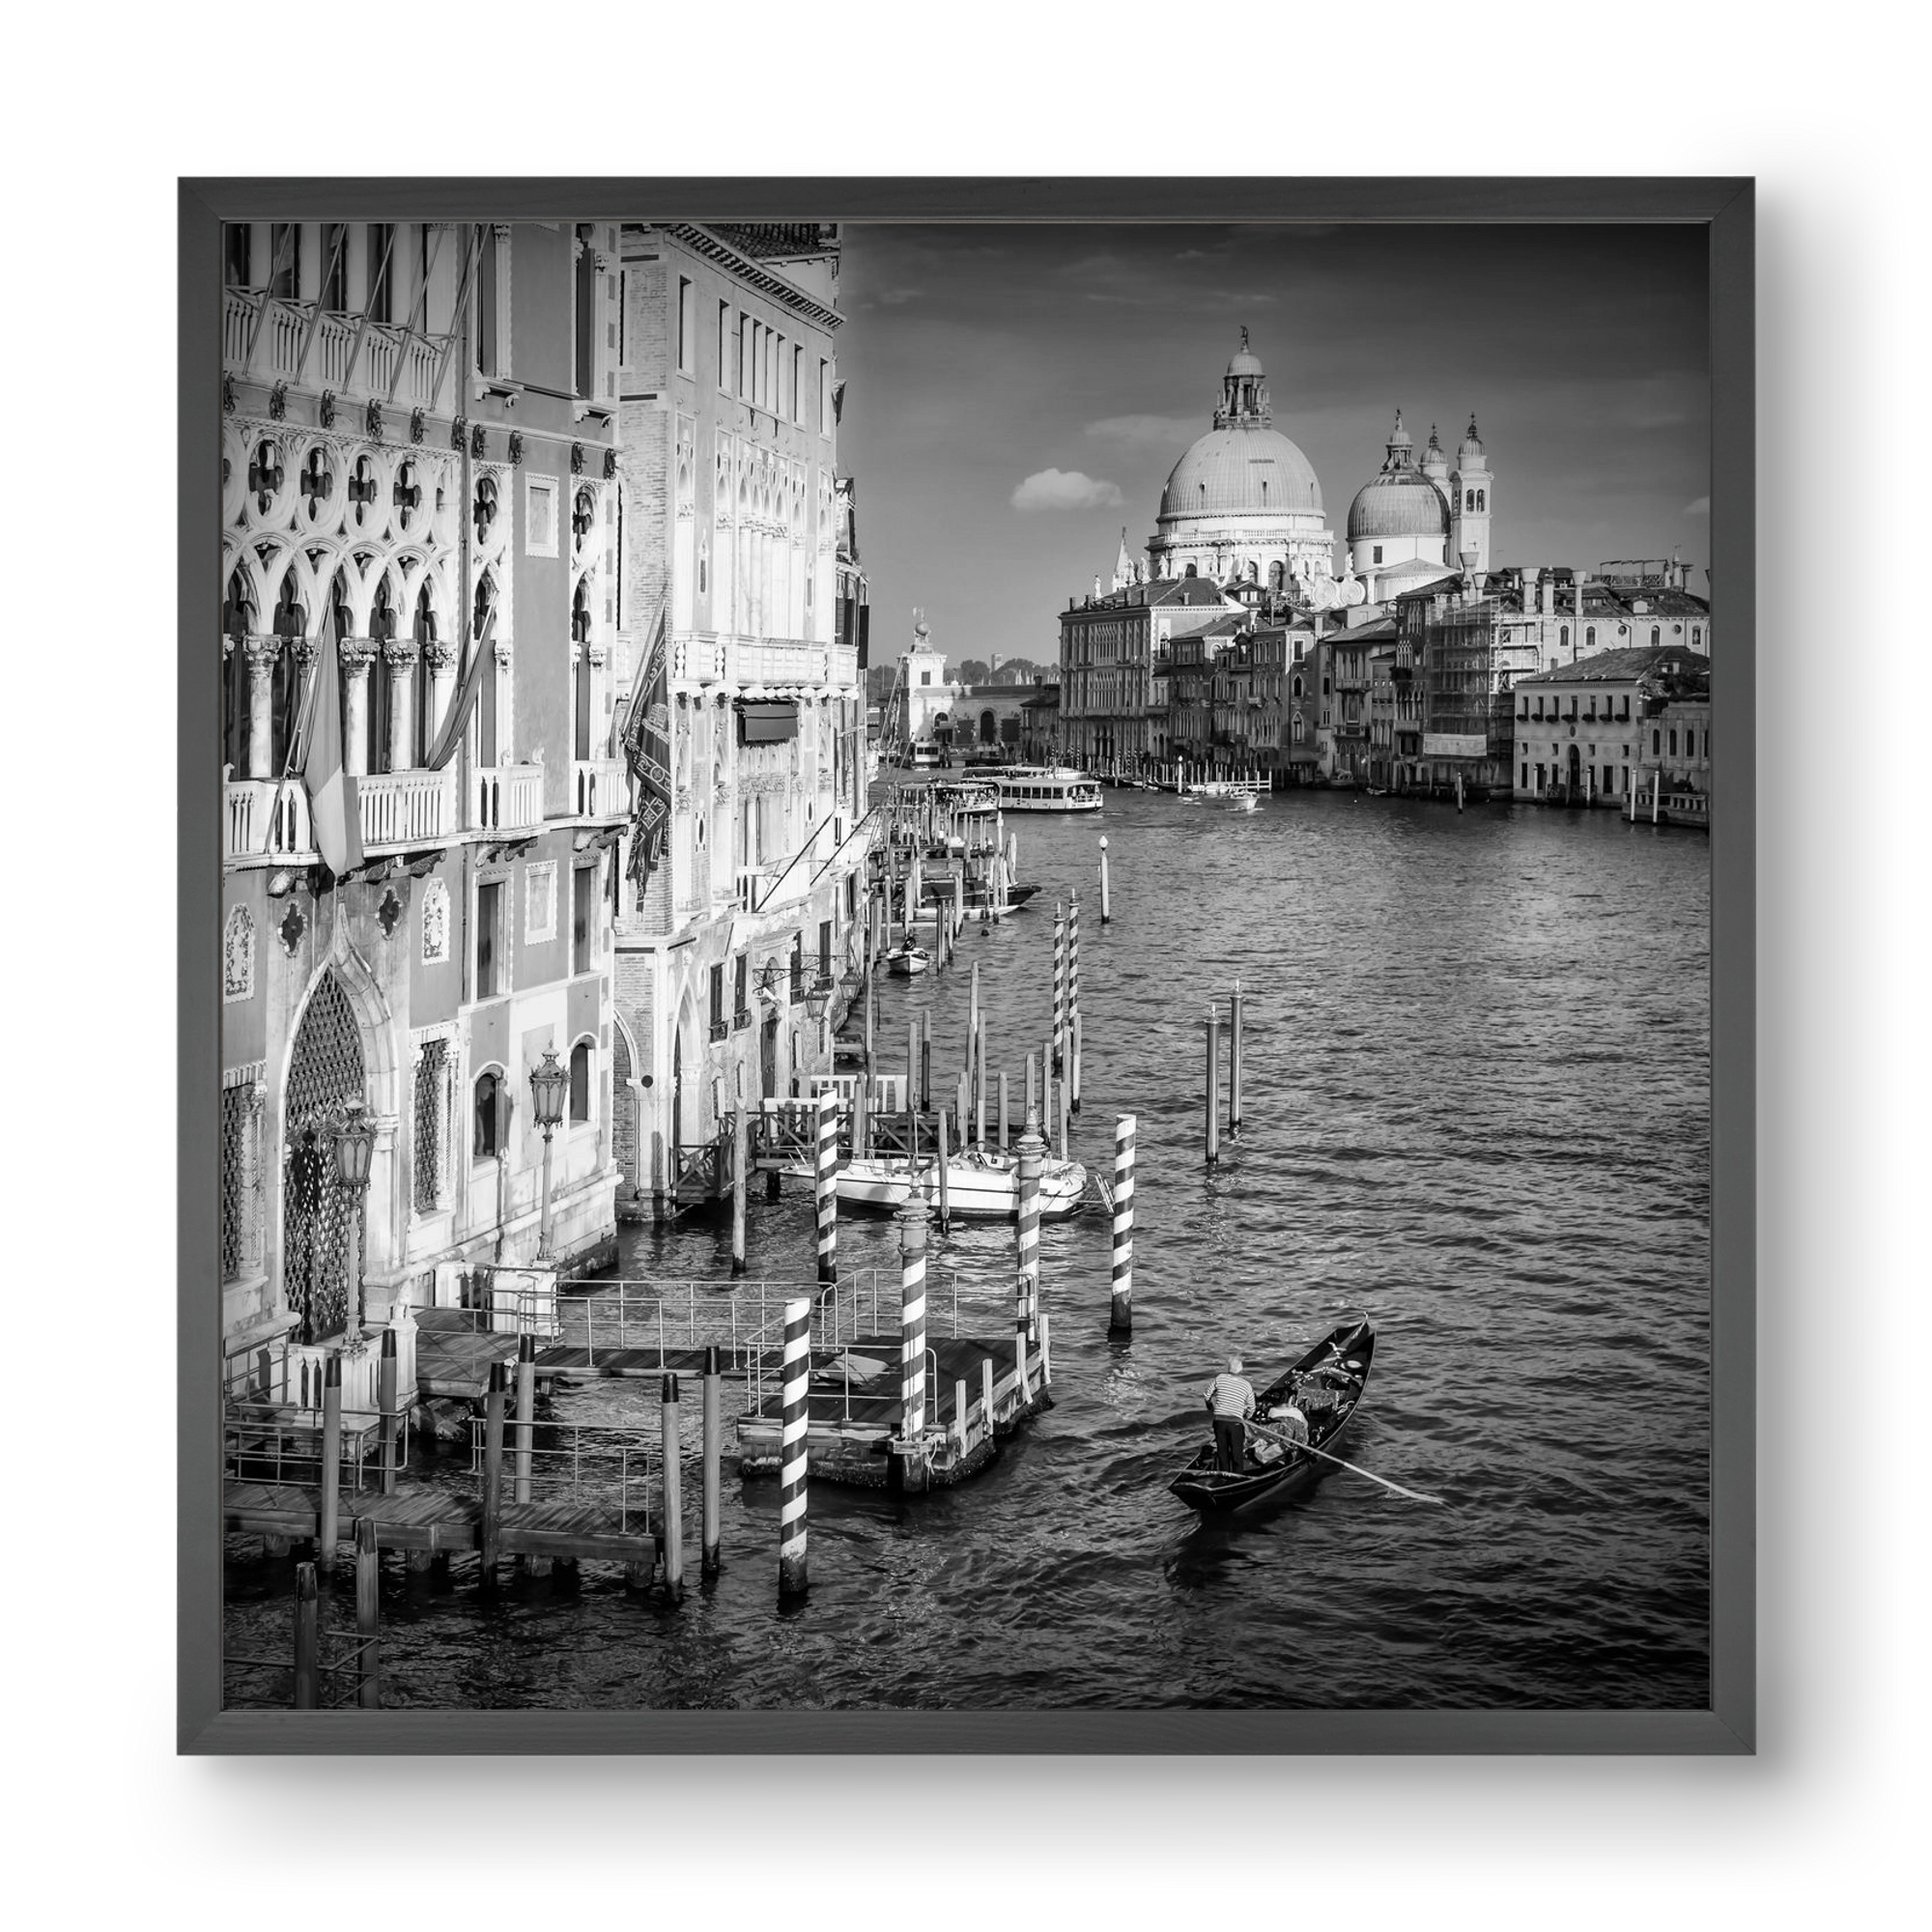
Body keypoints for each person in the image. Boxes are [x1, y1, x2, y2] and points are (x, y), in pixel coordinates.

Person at [1205, 1353, 1256, 1471]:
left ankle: (1224, 1476)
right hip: (1236, 1423)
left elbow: (1207, 1395)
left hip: (1219, 1421)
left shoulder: (1220, 1378)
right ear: (1241, 1370)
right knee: (1236, 1453)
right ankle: (1238, 1478)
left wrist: (1210, 1406)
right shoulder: (1246, 1385)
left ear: (1229, 1368)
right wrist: (1246, 1417)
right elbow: (1251, 1408)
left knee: (1223, 1453)